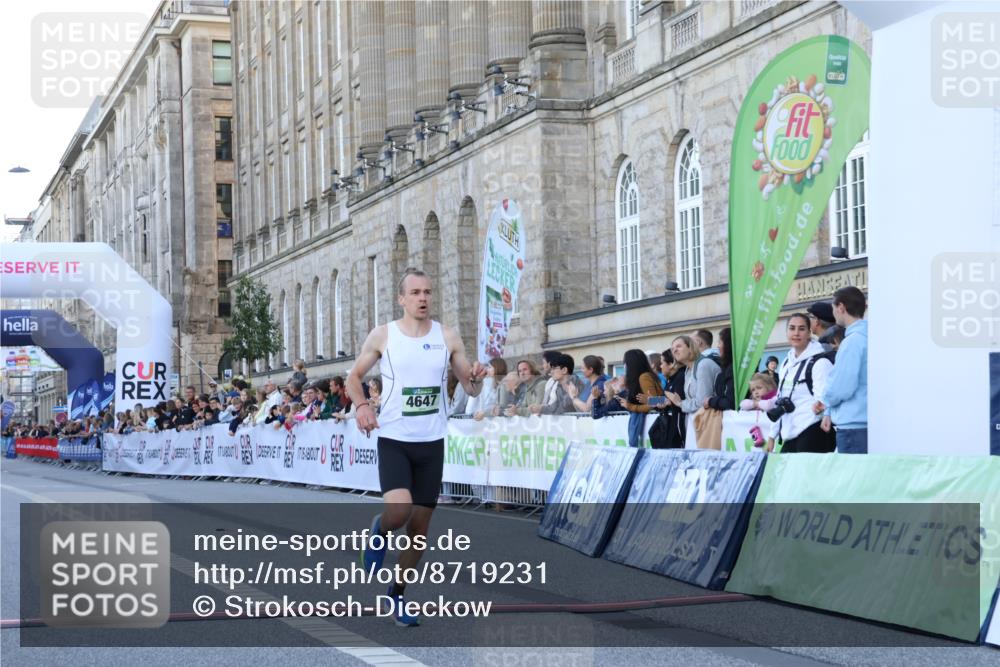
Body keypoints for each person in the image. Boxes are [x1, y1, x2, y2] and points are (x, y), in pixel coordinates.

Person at [348, 267, 487, 627]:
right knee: (399, 513)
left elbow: (469, 389)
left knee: (419, 531)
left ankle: (397, 595)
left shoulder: (447, 336)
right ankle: (379, 528)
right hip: (395, 439)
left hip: (432, 442)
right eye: (415, 293)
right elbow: (353, 377)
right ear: (402, 299)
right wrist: (363, 406)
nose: (423, 298)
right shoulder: (384, 336)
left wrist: (478, 380)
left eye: (427, 292)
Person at [766, 313, 835, 454]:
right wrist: (772, 435)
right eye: (792, 328)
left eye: (801, 329)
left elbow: (825, 400)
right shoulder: (786, 361)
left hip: (813, 431)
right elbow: (780, 399)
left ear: (809, 332)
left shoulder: (820, 362)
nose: (796, 333)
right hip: (790, 434)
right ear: (786, 332)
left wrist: (821, 407)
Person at [815, 286, 868, 454]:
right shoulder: (870, 337)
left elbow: (842, 386)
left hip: (853, 424)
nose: (833, 313)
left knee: (854, 479)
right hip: (867, 421)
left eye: (833, 308)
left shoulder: (852, 342)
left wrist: (825, 402)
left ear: (841, 307)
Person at [665, 334, 720, 434]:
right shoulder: (688, 369)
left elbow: (702, 402)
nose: (674, 350)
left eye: (679, 346)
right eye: (672, 348)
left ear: (690, 348)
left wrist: (680, 403)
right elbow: (692, 399)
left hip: (711, 423)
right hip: (698, 422)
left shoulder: (703, 365)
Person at [619, 349, 664, 447]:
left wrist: (630, 406)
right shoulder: (643, 376)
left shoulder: (644, 377)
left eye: (625, 363)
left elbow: (657, 402)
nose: (624, 366)